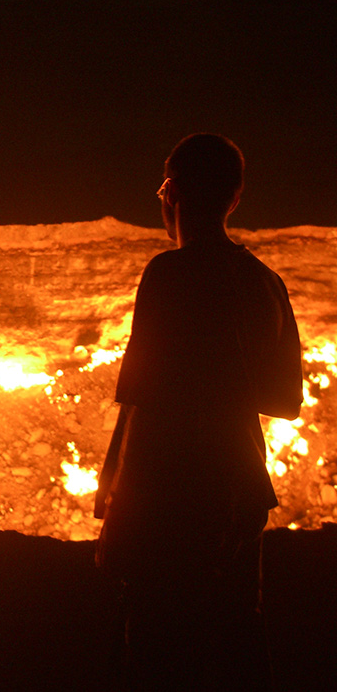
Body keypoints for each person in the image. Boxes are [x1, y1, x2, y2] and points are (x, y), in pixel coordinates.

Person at [93, 134, 303, 690]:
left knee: (158, 651)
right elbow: (285, 400)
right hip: (243, 491)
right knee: (239, 644)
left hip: (172, 498)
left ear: (171, 192)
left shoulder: (169, 275)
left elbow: (145, 402)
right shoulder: (266, 283)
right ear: (234, 200)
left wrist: (116, 501)